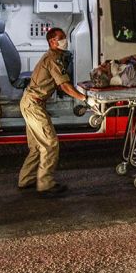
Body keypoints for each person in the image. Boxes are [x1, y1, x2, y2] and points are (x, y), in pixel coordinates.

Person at [19, 27, 87, 197]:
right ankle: (45, 184)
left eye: (65, 37)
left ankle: (26, 179)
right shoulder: (52, 59)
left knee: (37, 146)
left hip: (30, 102)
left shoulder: (55, 57)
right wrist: (84, 98)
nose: (65, 40)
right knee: (50, 144)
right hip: (34, 105)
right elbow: (64, 85)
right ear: (52, 41)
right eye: (61, 38)